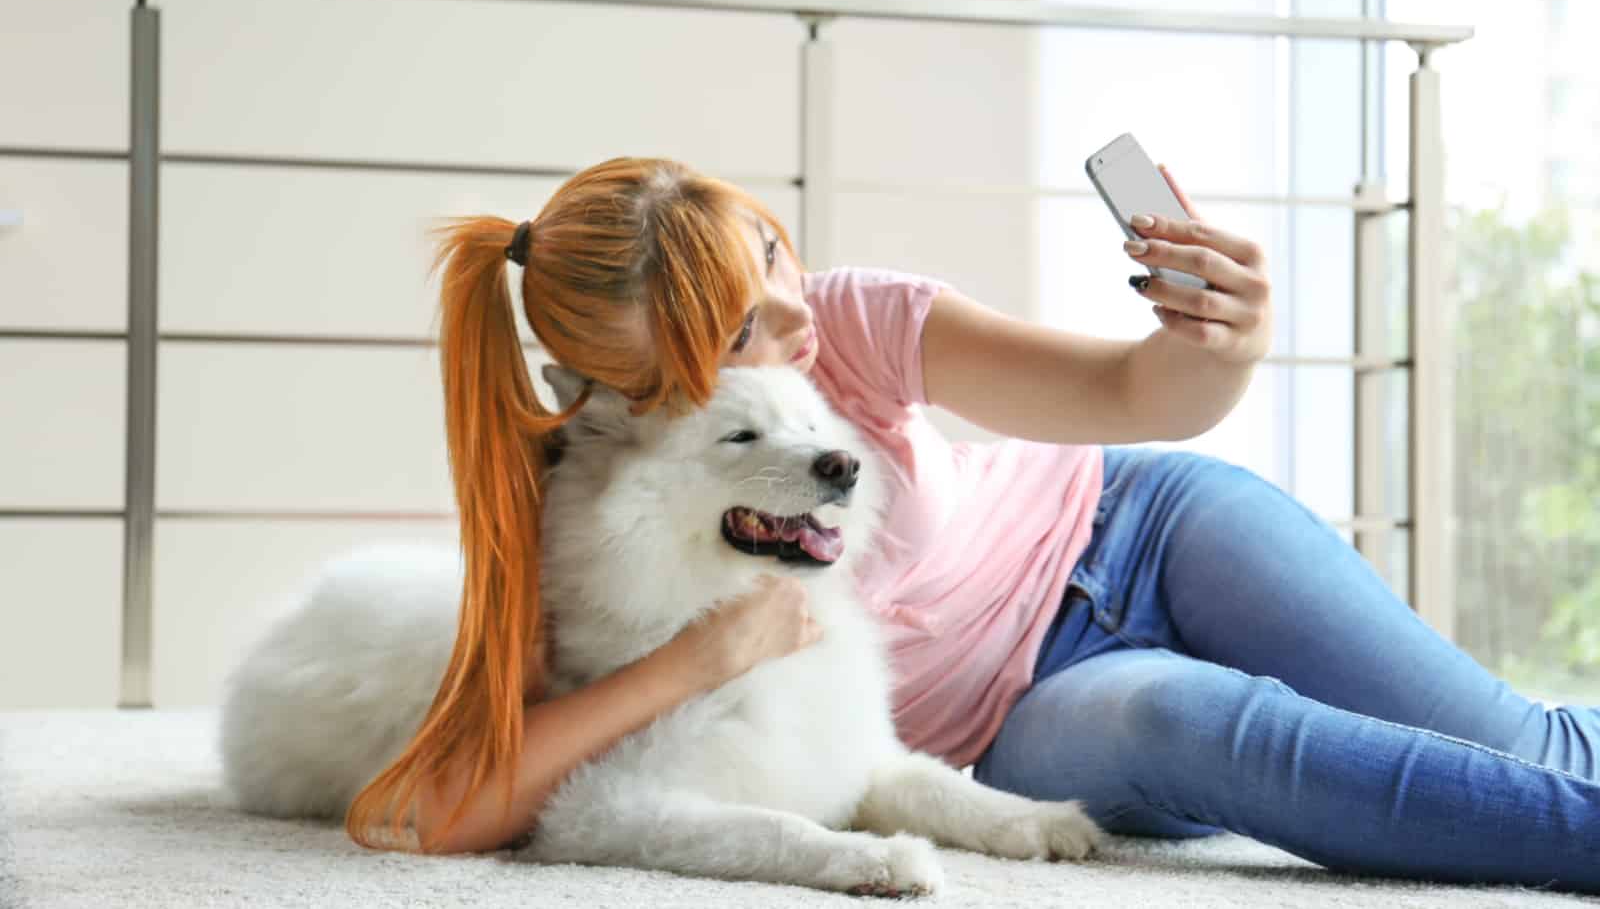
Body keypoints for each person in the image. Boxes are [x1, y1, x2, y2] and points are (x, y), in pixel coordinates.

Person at [348, 156, 1600, 891]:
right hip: (1010, 719)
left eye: (773, 256)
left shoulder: (860, 316)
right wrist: (702, 658)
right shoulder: (569, 495)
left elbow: (1130, 394)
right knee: (1199, 727)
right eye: (740, 331)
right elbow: (445, 810)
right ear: (626, 394)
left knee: (1522, 742)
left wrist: (1223, 338)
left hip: (1138, 523)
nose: (797, 318)